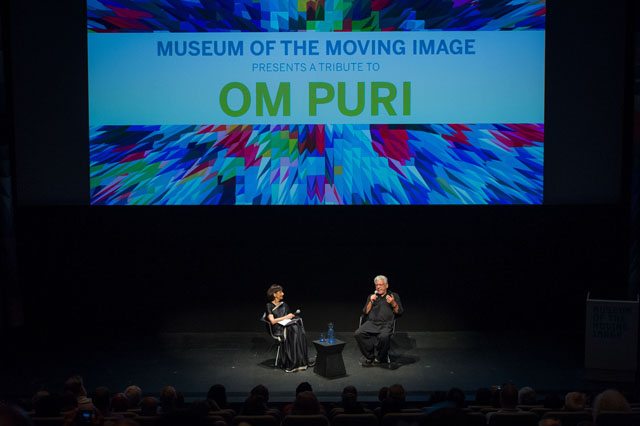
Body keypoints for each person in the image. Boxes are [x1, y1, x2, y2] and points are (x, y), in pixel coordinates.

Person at [355, 275, 403, 366]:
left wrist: (393, 303)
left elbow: (399, 312)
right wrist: (371, 301)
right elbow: (365, 312)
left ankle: (381, 357)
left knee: (384, 337)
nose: (378, 287)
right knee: (358, 333)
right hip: (371, 323)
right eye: (376, 285)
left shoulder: (393, 296)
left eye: (380, 284)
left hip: (386, 324)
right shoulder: (372, 296)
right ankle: (370, 356)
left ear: (386, 285)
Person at [265, 284, 310, 373]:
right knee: (294, 329)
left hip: (286, 325)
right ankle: (292, 362)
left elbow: (289, 317)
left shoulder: (284, 304)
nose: (283, 294)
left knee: (297, 326)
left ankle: (299, 361)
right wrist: (286, 317)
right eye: (280, 292)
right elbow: (273, 321)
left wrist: (292, 316)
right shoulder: (269, 305)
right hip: (278, 328)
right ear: (274, 294)